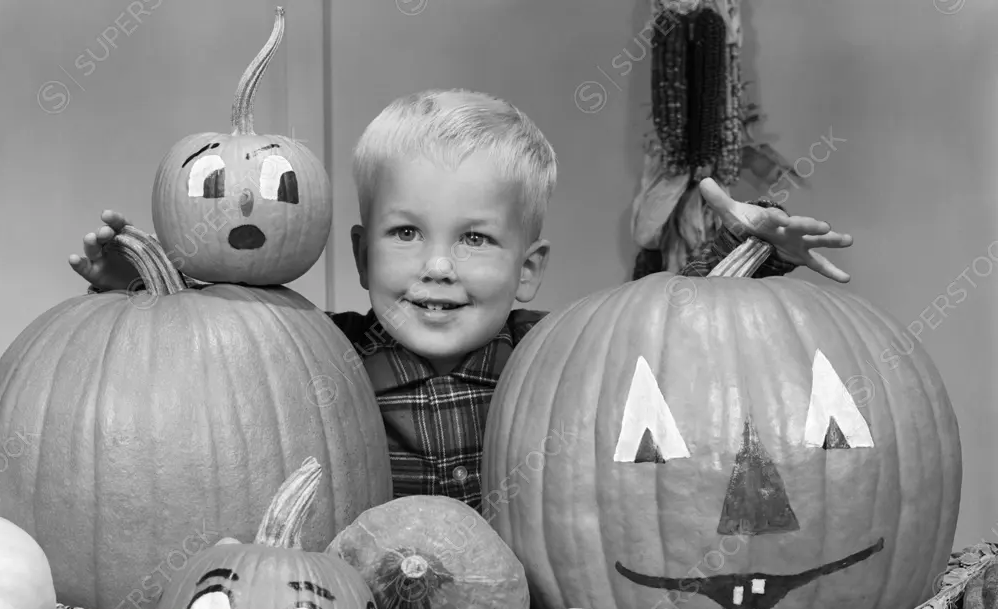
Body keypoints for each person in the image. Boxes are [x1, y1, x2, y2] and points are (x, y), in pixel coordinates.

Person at [68, 89, 853, 515]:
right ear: (360, 254)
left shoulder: (556, 357)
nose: (436, 268)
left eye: (475, 241)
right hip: (364, 608)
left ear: (528, 268)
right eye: (406, 234)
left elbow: (671, 341)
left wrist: (756, 262)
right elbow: (212, 365)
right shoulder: (322, 353)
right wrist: (142, 286)